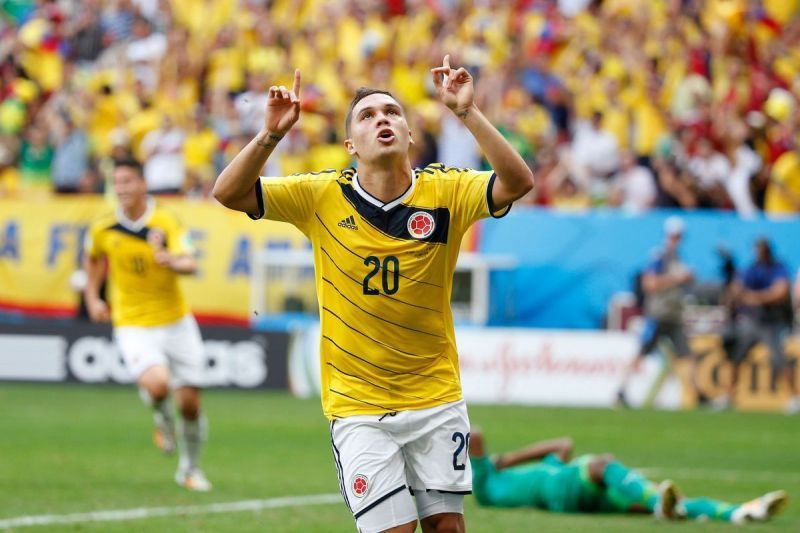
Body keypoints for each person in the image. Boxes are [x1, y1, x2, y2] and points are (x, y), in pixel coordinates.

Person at [213, 56, 534, 533]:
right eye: (367, 116)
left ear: (409, 134)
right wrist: (272, 135)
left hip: (435, 397)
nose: (382, 119)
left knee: (448, 528)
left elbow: (519, 182)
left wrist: (467, 112)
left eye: (392, 113)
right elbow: (229, 192)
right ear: (351, 145)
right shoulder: (319, 195)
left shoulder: (447, 190)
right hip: (358, 406)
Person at [84, 158, 211, 491]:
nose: (122, 188)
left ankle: (189, 468)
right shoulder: (103, 226)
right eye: (117, 183)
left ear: (142, 184)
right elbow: (93, 259)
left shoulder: (166, 220)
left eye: (128, 181)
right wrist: (93, 298)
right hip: (131, 322)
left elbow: (190, 261)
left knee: (190, 404)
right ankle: (161, 417)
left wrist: (172, 261)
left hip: (175, 320)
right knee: (157, 385)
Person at [470, 429, 787, 524]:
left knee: (654, 503)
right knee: (601, 464)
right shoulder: (485, 484)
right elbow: (475, 434)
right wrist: (501, 461)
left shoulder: (548, 467)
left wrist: (509, 459)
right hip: (561, 488)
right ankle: (659, 504)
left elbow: (563, 444)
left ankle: (741, 513)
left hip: (579, 498)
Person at [616, 216, 699, 407]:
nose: (676, 239)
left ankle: (695, 394)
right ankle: (623, 388)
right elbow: (650, 284)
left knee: (686, 355)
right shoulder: (659, 257)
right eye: (674, 236)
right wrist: (677, 279)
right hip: (658, 314)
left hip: (674, 315)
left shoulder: (678, 258)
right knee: (642, 352)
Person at [716, 238, 797, 413]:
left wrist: (753, 297)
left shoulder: (777, 268)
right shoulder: (750, 268)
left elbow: (780, 292)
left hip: (771, 323)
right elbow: (737, 290)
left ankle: (793, 397)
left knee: (779, 359)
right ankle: (729, 395)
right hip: (751, 322)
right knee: (736, 358)